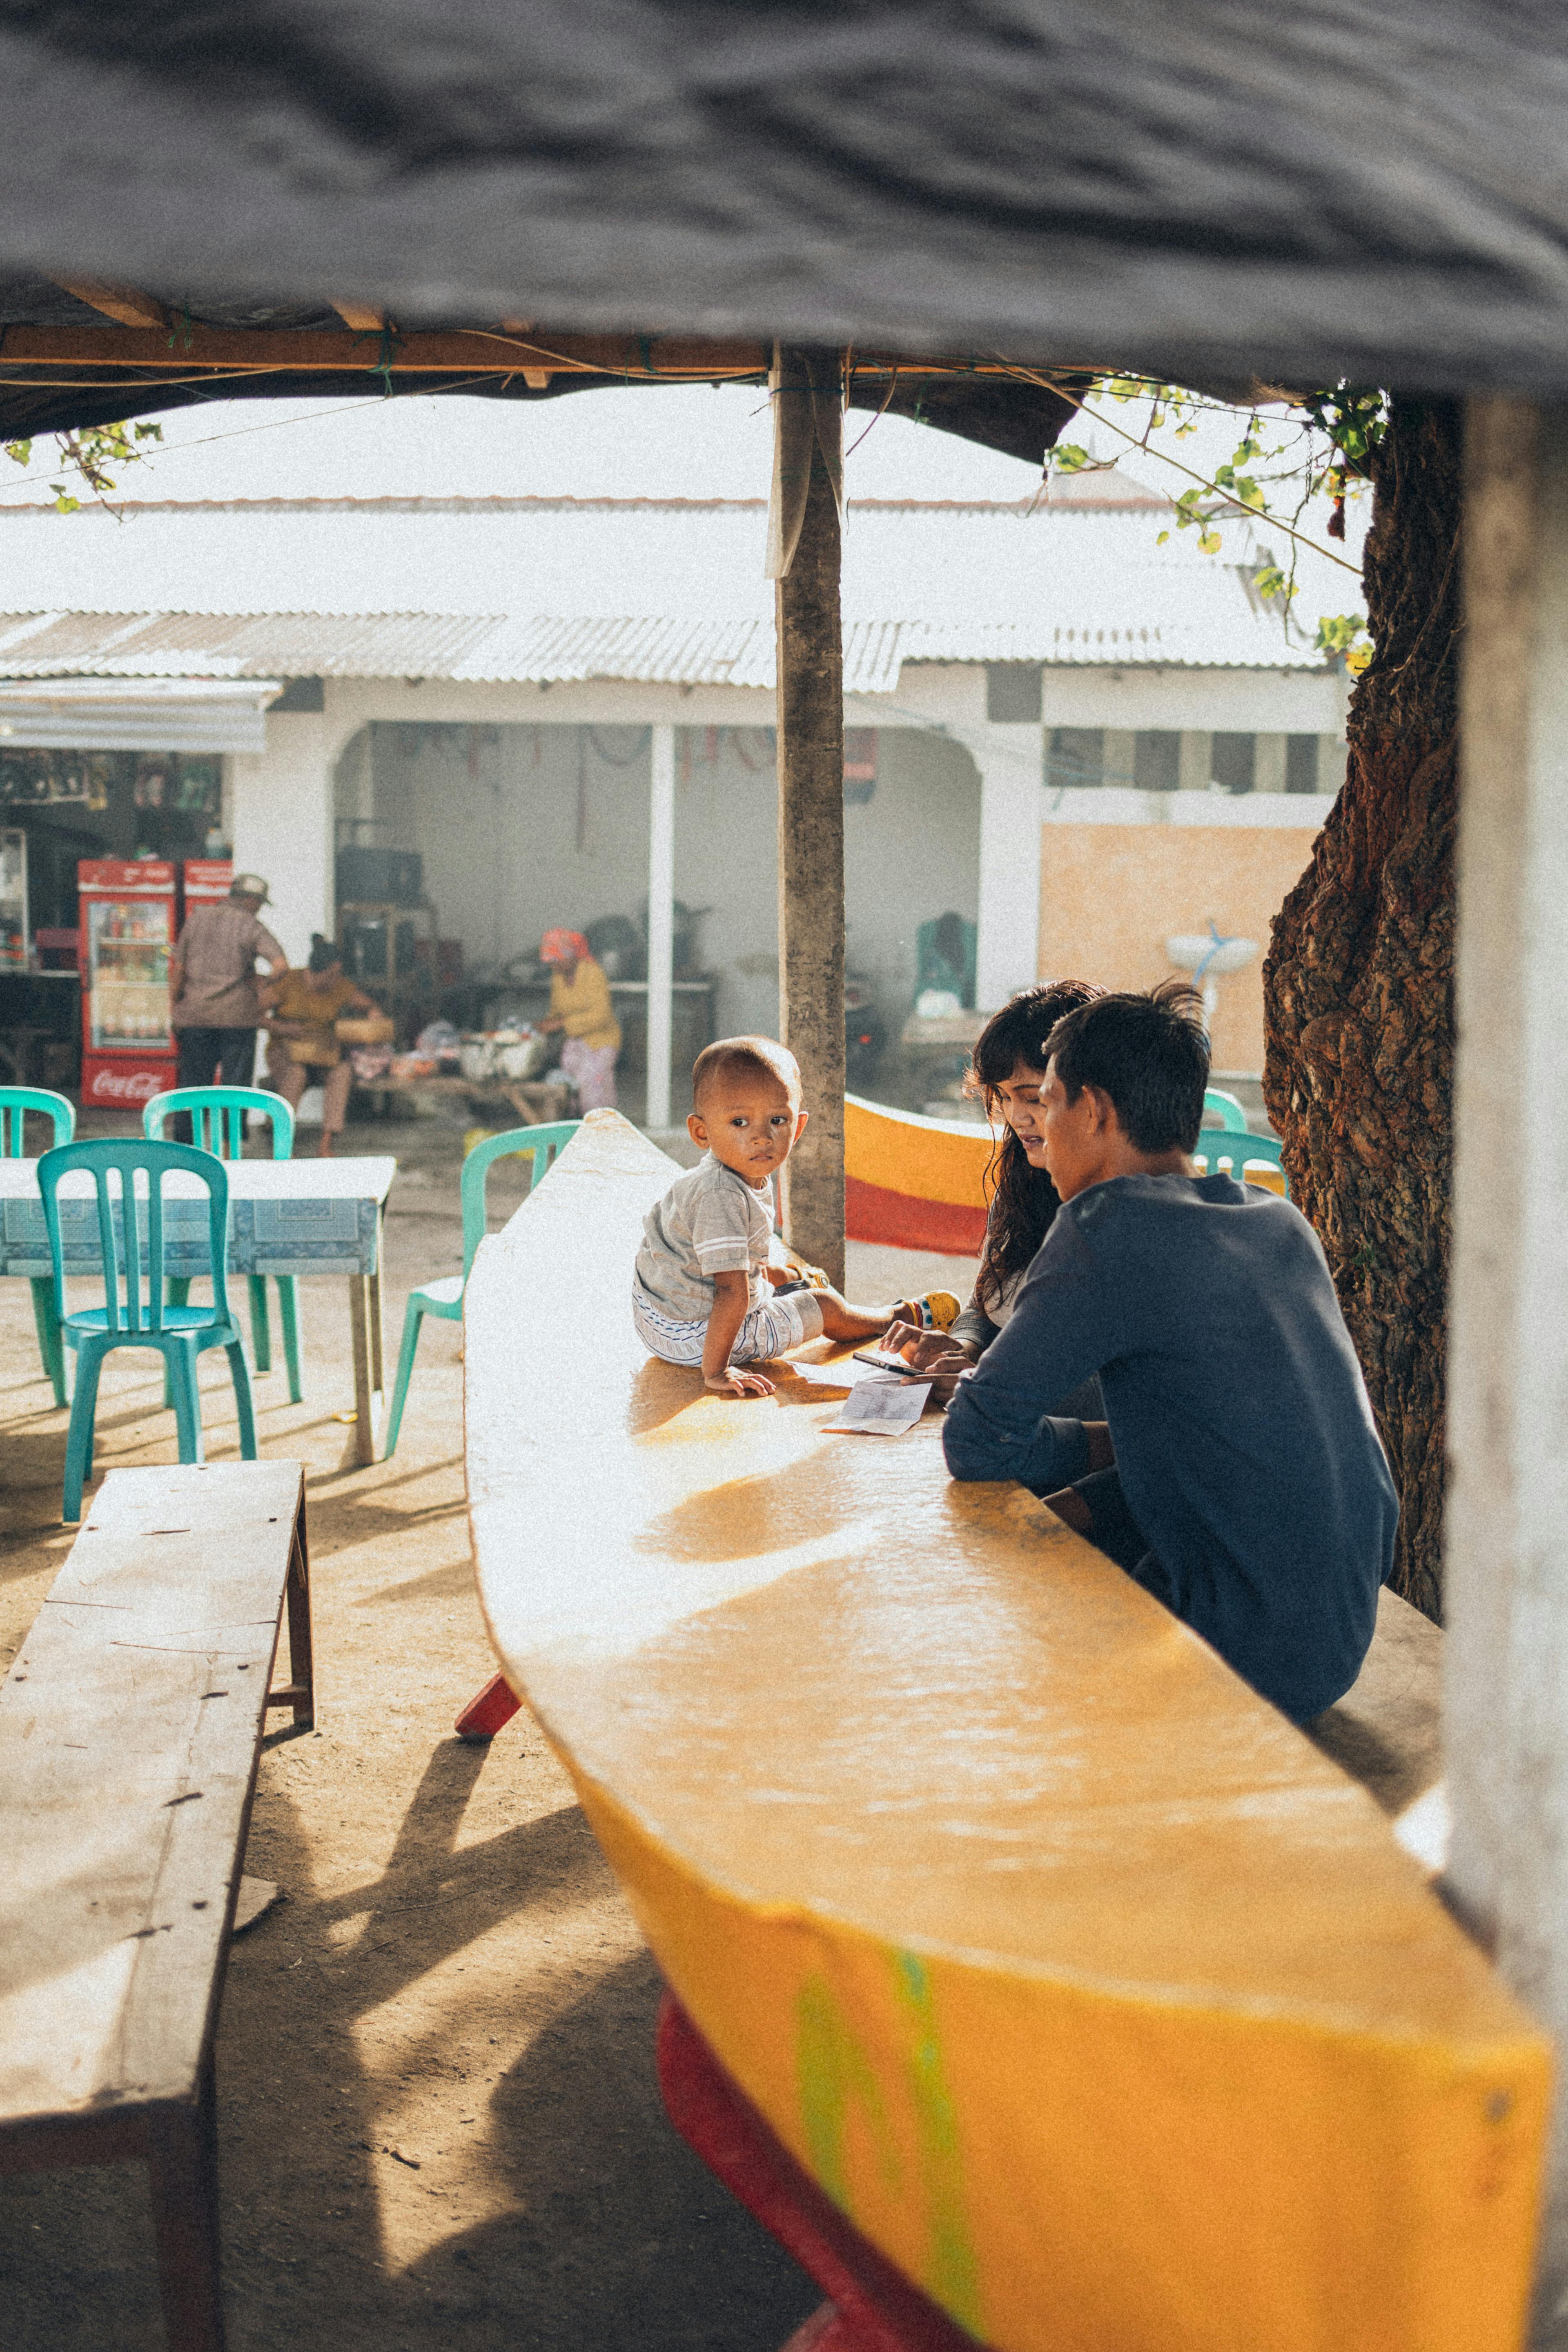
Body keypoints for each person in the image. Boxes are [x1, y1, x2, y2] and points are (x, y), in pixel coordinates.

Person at [940, 982, 1397, 1723]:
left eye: (1048, 1102)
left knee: (962, 1633)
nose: (1037, 1130)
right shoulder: (1278, 1222)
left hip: (1242, 1652)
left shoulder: (1105, 1226)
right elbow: (1218, 1445)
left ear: (1094, 1110)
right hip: (1336, 1633)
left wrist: (1069, 1457)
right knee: (1066, 1521)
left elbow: (976, 1441)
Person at [634, 1035, 958, 1397]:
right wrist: (718, 1371)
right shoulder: (720, 1195)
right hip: (690, 1336)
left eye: (777, 1120)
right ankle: (892, 1318)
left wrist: (771, 1274)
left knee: (786, 1276)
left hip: (660, 1309)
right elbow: (729, 1290)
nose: (761, 1137)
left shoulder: (738, 1172)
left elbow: (728, 1257)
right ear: (701, 1132)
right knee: (822, 1304)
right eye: (740, 1122)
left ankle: (791, 1286)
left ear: (798, 1127)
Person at [889, 981, 1104, 1406]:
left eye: (1033, 1099)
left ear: (1094, 1098)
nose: (1016, 1117)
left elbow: (1120, 1389)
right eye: (1003, 1098)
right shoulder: (1025, 1182)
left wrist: (992, 1384)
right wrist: (962, 1347)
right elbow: (988, 1305)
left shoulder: (1124, 1218)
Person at [169, 870, 287, 1096]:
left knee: (193, 1087)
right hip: (238, 1020)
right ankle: (230, 1133)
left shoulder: (196, 920)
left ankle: (187, 1133)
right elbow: (281, 966)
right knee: (236, 1089)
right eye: (260, 903)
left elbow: (179, 971)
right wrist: (262, 983)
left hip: (196, 1016)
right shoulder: (252, 926)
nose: (259, 908)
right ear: (251, 900)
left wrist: (174, 1010)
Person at [261, 935, 380, 1157]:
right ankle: (283, 1142)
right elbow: (253, 1015)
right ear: (319, 971)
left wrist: (374, 1014)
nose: (337, 979)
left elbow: (369, 1005)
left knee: (342, 1072)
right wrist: (284, 1029)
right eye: (333, 974)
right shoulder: (291, 982)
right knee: (296, 1074)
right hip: (285, 1051)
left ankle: (326, 1143)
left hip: (322, 1053)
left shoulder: (339, 987)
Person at [539, 927, 620, 1110]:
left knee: (593, 1091)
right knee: (570, 1090)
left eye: (556, 960)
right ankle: (577, 1128)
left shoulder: (593, 974)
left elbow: (601, 1015)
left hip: (601, 1042)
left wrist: (562, 1024)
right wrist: (545, 1024)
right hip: (575, 1044)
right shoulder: (558, 977)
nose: (553, 966)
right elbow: (557, 1011)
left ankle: (602, 1132)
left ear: (570, 956)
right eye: (550, 962)